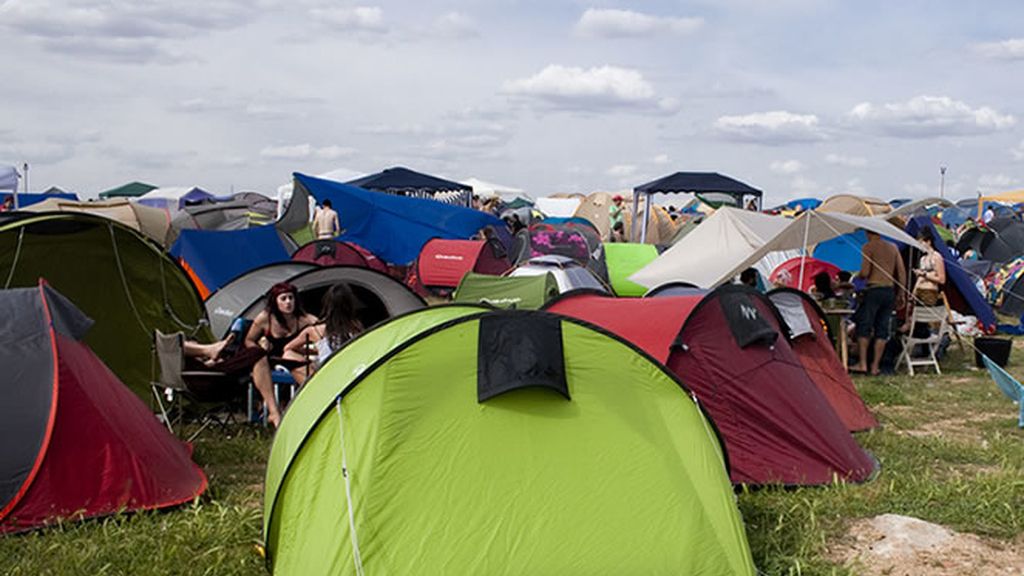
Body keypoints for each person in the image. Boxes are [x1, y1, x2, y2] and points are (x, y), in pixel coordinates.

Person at [244, 282, 318, 427]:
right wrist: (258, 350)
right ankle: (273, 411)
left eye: (291, 298)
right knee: (261, 361)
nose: (288, 302)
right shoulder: (265, 318)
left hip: (292, 359)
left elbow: (322, 329)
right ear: (275, 302)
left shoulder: (303, 319)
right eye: (283, 299)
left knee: (295, 360)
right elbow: (249, 340)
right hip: (270, 359)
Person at [851, 230, 906, 375]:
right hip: (889, 291)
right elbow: (901, 272)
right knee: (882, 329)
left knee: (865, 327)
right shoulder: (893, 247)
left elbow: (865, 272)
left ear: (867, 233)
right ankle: (875, 366)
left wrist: (856, 276)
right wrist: (901, 293)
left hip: (874, 290)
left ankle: (863, 364)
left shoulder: (868, 247)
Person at [282, 283, 365, 370]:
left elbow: (288, 348)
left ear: (327, 305)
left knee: (288, 355)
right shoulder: (356, 327)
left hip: (327, 372)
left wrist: (315, 352)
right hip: (352, 369)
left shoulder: (315, 331)